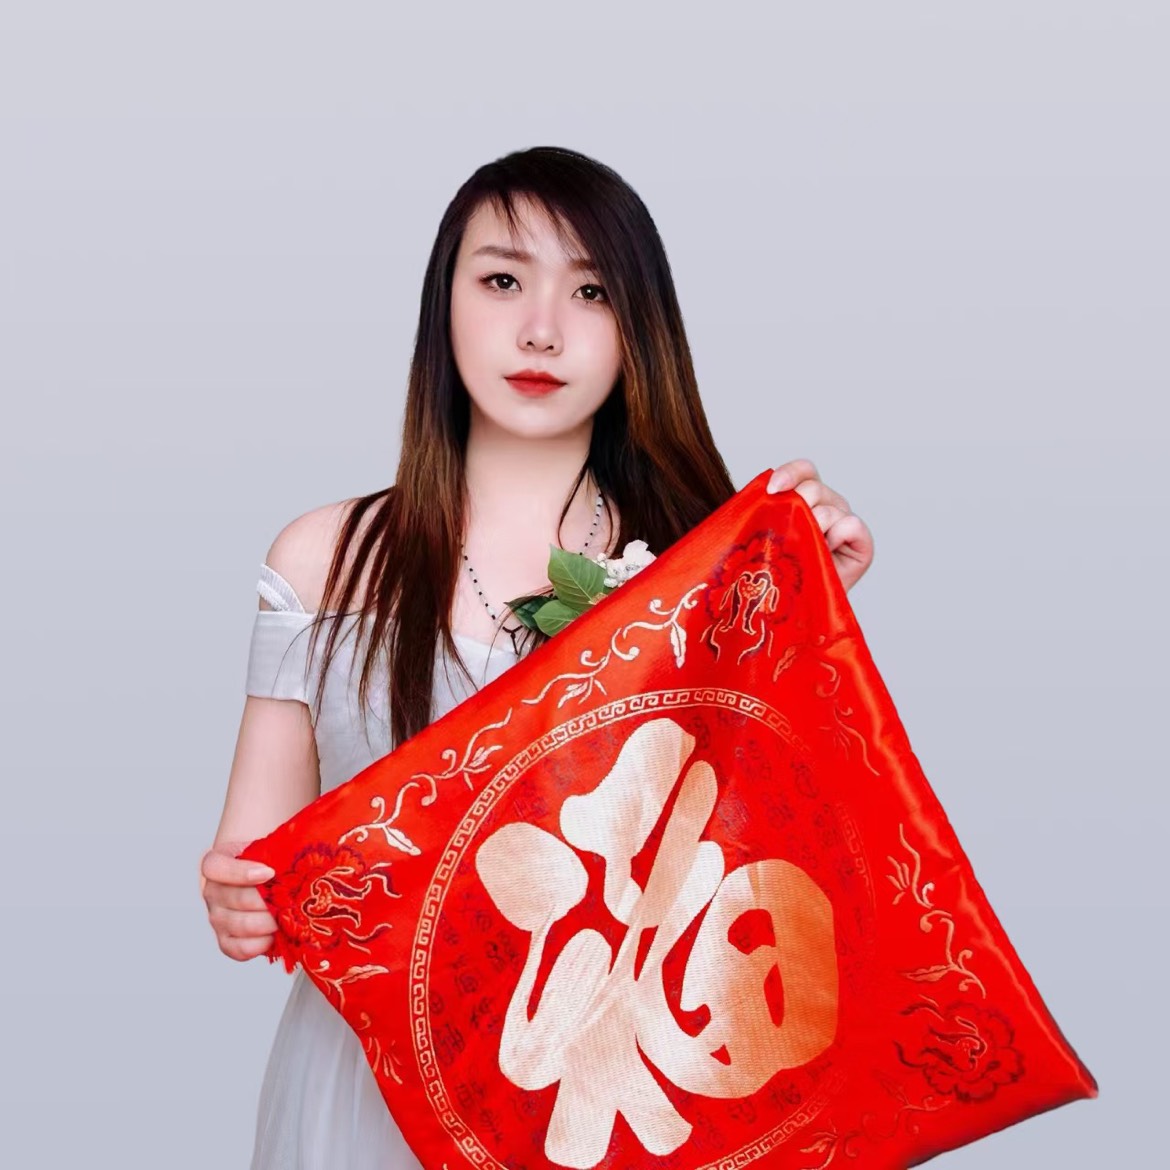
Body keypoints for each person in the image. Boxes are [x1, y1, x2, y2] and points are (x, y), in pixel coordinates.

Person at [199, 145, 874, 1169]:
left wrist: (813, 606)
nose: (542, 330)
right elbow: (257, 857)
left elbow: (783, 853)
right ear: (445, 304)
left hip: (610, 1091)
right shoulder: (324, 560)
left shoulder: (699, 565)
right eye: (503, 281)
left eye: (591, 292)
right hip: (375, 1092)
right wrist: (238, 899)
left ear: (638, 328)